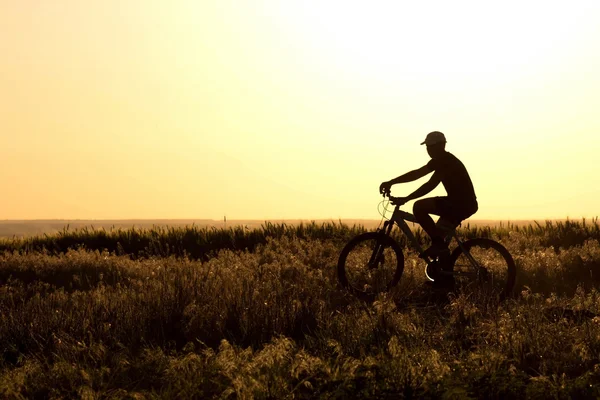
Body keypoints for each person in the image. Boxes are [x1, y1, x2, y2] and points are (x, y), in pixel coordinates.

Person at [379, 131, 478, 258]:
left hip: (460, 204)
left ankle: (438, 246)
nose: (428, 150)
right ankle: (444, 271)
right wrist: (392, 182)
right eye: (427, 147)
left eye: (430, 146)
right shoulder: (440, 160)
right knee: (439, 241)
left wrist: (407, 198)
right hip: (460, 204)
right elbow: (417, 174)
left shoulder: (446, 161)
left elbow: (430, 185)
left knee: (419, 207)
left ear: (440, 146)